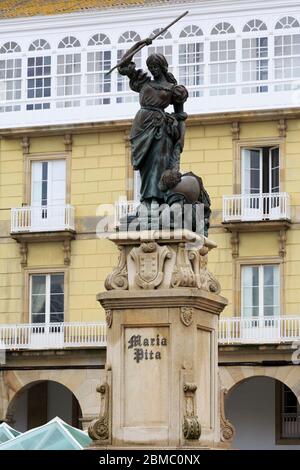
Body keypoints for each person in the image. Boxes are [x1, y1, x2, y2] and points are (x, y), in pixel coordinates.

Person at [118, 39, 188, 207]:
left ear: (163, 67)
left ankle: (156, 197)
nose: (153, 71)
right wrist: (140, 44)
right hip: (141, 125)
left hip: (160, 127)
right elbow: (122, 64)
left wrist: (179, 141)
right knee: (145, 164)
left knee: (158, 161)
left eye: (156, 67)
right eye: (151, 68)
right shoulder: (143, 82)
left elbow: (180, 115)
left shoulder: (173, 89)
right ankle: (147, 199)